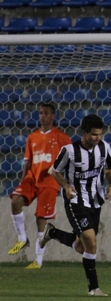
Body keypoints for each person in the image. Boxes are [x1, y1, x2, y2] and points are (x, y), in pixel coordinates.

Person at [39, 114, 111, 297]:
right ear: (84, 133)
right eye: (94, 135)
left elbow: (109, 168)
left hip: (95, 200)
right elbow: (54, 170)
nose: (97, 138)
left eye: (100, 134)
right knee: (90, 240)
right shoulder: (70, 150)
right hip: (75, 200)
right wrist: (66, 186)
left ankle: (53, 233)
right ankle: (94, 288)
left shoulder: (105, 148)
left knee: (82, 247)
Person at [7, 103, 73, 268]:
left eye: (45, 113)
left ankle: (38, 260)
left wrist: (67, 182)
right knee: (15, 201)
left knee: (41, 219)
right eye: (40, 113)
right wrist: (23, 180)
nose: (42, 116)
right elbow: (27, 162)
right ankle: (22, 239)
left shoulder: (62, 137)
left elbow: (71, 160)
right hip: (32, 178)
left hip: (50, 181)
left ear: (52, 116)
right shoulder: (32, 137)